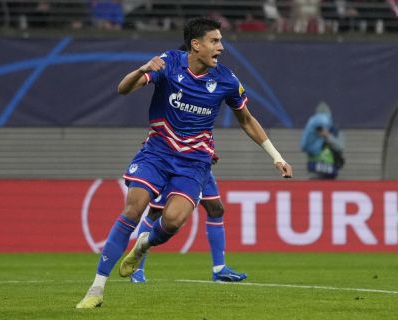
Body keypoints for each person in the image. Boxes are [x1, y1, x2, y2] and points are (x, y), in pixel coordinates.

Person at [76, 17, 292, 309]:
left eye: (220, 41)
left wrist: (276, 157)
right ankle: (96, 289)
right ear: (196, 45)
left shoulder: (227, 80)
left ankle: (143, 244)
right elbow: (123, 89)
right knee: (133, 208)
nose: (221, 47)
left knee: (174, 221)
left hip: (194, 162)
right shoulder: (169, 63)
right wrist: (141, 68)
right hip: (157, 153)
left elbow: (247, 120)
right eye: (214, 41)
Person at [130, 154, 247, 283]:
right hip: (177, 166)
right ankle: (137, 269)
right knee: (156, 212)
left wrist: (207, 152)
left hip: (201, 166)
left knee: (216, 209)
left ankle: (219, 269)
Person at [300, 101, 344, 180]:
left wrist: (328, 137)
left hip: (330, 171)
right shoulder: (312, 134)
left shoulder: (334, 131)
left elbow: (340, 148)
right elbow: (305, 146)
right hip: (316, 170)